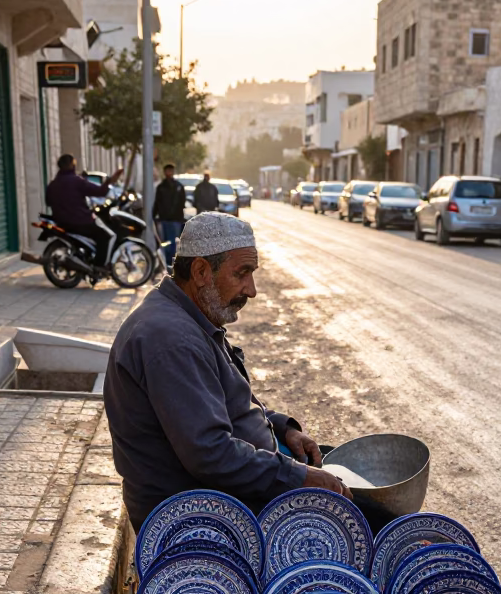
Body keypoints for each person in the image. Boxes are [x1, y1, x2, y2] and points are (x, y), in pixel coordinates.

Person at [103, 211, 351, 532]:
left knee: (344, 476)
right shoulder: (171, 338)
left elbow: (225, 397)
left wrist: (280, 427)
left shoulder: (189, 317)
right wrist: (298, 476)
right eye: (242, 273)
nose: (251, 290)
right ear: (202, 271)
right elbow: (210, 454)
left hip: (227, 493)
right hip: (197, 516)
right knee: (354, 528)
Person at [45, 154, 123, 268]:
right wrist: (109, 181)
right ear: (71, 165)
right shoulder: (77, 181)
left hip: (61, 222)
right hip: (80, 221)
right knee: (107, 236)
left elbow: (48, 202)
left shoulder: (52, 184)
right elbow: (100, 191)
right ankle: (99, 267)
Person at [152, 164, 186, 265]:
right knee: (166, 241)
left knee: (173, 241)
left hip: (176, 219)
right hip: (164, 218)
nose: (169, 173)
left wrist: (180, 217)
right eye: (167, 171)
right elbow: (157, 202)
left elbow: (182, 202)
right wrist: (154, 215)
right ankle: (168, 262)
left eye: (171, 171)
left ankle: (172, 262)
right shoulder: (161, 187)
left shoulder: (179, 186)